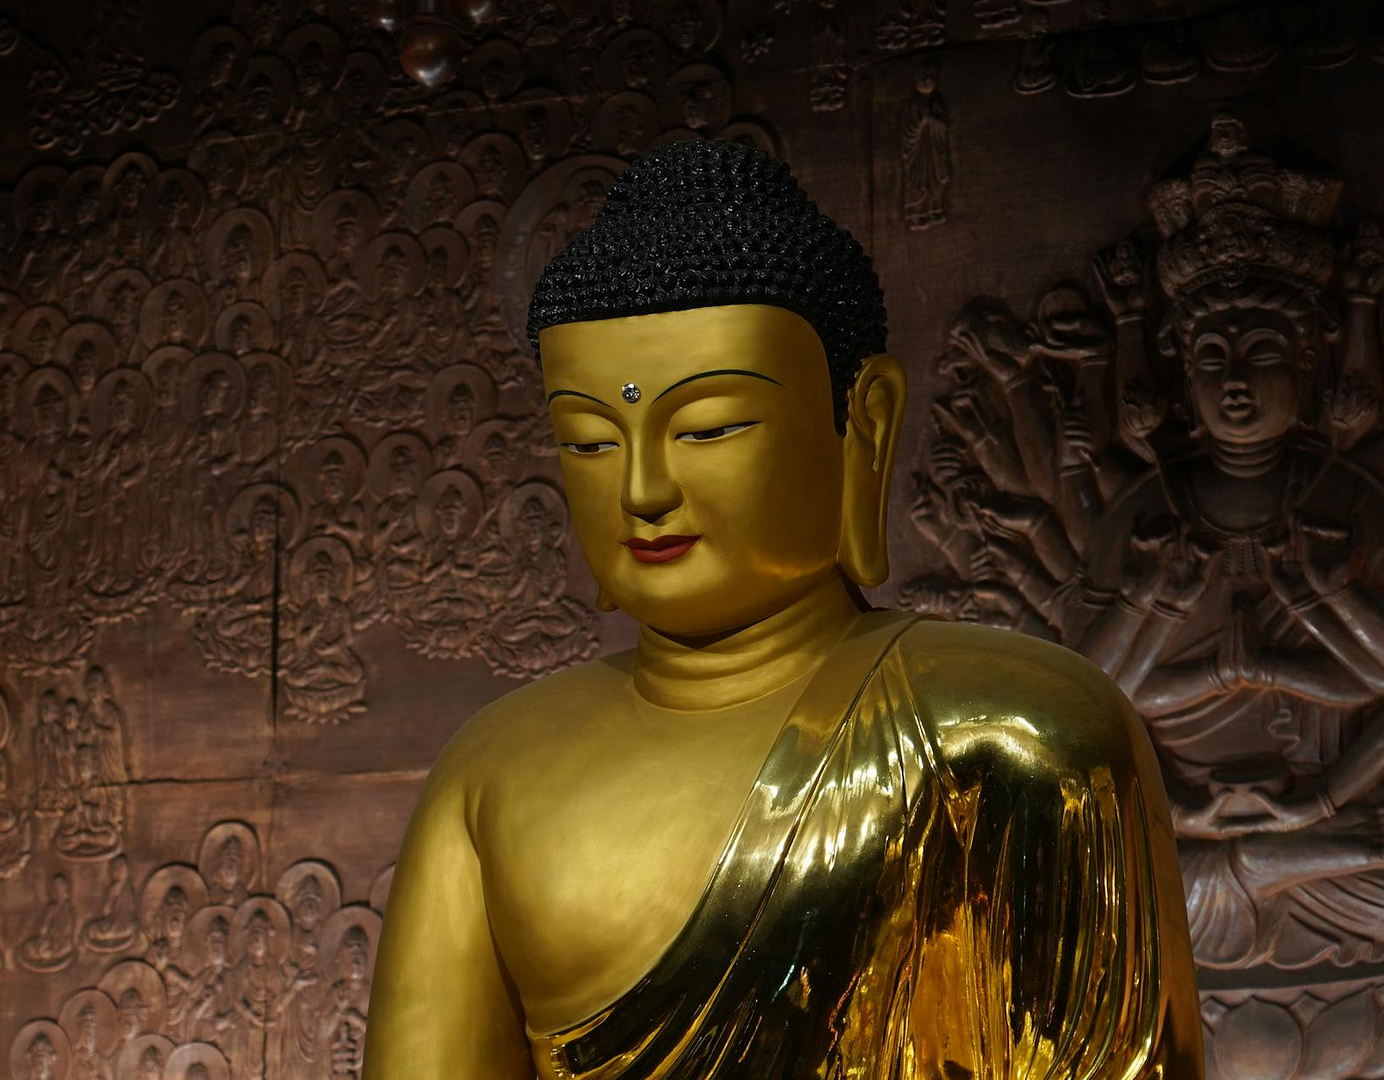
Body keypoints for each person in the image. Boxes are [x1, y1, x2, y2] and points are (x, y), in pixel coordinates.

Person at [364, 139, 1201, 1077]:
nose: (643, 487)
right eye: (591, 440)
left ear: (865, 425)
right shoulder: (492, 773)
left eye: (709, 428)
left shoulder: (1014, 731)